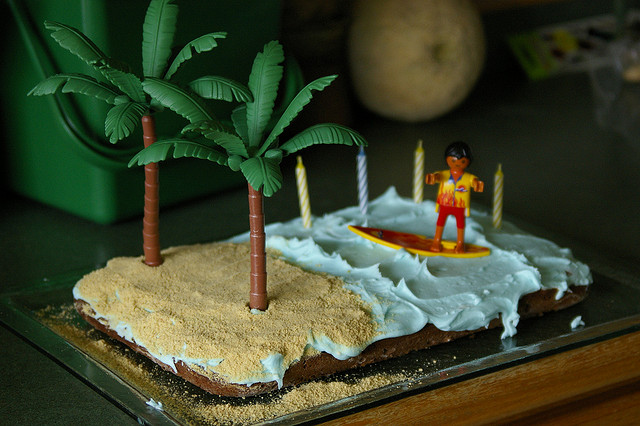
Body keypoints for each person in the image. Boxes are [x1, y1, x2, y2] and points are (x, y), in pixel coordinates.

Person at [425, 141, 484, 253]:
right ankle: (436, 240)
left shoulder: (468, 177)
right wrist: (433, 177)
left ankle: (460, 243)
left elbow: (474, 181)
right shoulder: (444, 174)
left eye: (462, 161)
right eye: (453, 160)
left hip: (459, 206)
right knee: (440, 221)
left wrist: (476, 183)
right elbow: (437, 176)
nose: (457, 163)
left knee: (460, 224)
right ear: (447, 159)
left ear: (468, 161)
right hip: (445, 203)